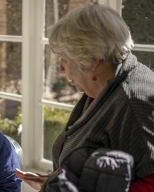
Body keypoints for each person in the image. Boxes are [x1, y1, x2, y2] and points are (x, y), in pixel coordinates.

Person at [16, 3, 154, 192]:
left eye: (64, 60)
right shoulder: (103, 87)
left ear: (92, 61)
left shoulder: (135, 102)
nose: (62, 70)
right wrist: (61, 181)